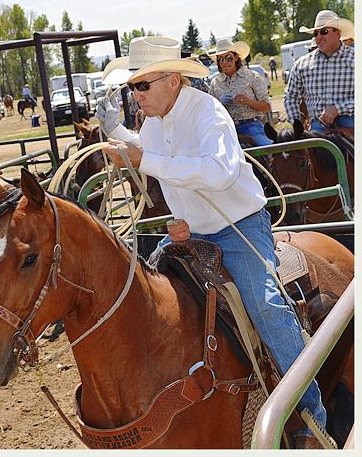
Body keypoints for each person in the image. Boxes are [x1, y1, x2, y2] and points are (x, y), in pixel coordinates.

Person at [95, 35, 328, 449]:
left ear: (172, 81)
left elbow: (219, 172)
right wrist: (115, 130)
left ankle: (308, 417)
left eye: (142, 86)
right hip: (193, 229)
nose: (136, 96)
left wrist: (142, 160)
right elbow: (146, 149)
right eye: (132, 87)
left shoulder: (209, 114)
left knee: (266, 305)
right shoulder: (154, 121)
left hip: (238, 225)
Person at [284, 10, 354, 133]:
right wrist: (297, 123)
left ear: (337, 34)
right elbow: (291, 96)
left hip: (351, 121)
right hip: (318, 126)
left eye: (324, 31)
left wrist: (337, 109)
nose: (318, 37)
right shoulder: (302, 64)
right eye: (315, 33)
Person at [208, 39, 272, 146]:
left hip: (251, 125)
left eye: (228, 58)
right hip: (225, 129)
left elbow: (266, 107)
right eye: (220, 59)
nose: (224, 62)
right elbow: (210, 112)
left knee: (268, 151)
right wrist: (220, 105)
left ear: (236, 57)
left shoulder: (253, 77)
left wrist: (249, 102)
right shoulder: (215, 83)